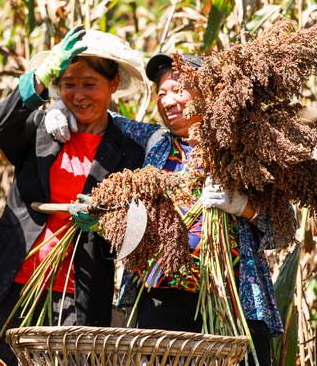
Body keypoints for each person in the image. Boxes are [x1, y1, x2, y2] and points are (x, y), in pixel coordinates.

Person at [45, 53, 291, 366]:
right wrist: (58, 106)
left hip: (232, 301)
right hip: (161, 298)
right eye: (162, 93)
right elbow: (96, 115)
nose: (168, 101)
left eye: (179, 90)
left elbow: (283, 231)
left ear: (210, 94)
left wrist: (242, 207)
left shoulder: (245, 150)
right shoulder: (153, 141)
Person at [0, 26, 150, 365]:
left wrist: (105, 224)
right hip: (16, 283)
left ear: (113, 85)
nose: (78, 95)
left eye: (89, 84)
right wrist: (40, 78)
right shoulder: (43, 128)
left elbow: (137, 224)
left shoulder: (130, 151)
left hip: (78, 292)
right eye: (68, 83)